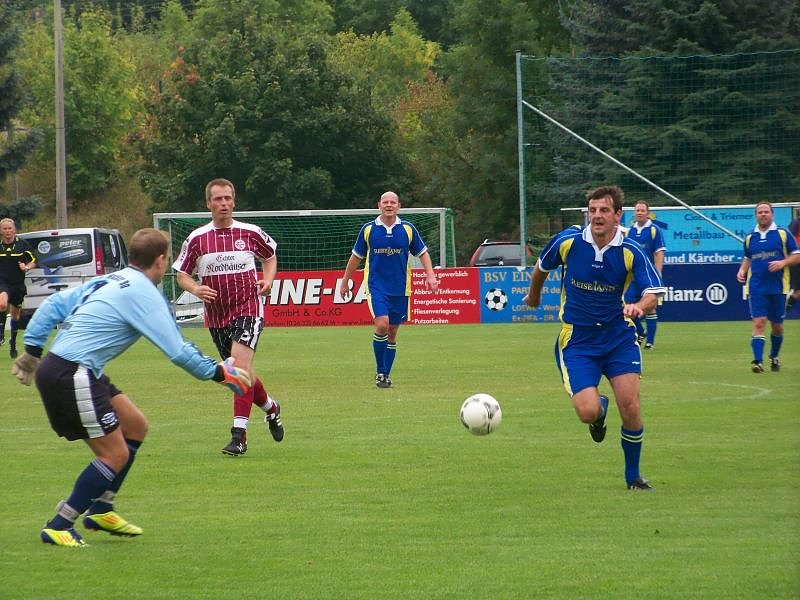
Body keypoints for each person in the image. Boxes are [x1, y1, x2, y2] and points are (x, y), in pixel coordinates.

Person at [10, 228, 252, 547]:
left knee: (135, 425)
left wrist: (33, 350)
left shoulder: (110, 279)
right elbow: (178, 351)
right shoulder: (145, 294)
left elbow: (54, 304)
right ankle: (60, 523)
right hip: (72, 374)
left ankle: (102, 507)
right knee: (115, 454)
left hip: (70, 368)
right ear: (161, 260)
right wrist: (220, 373)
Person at [523, 185, 665, 491]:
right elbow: (540, 268)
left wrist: (639, 306)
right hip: (578, 340)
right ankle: (599, 410)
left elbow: (653, 294)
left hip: (617, 337)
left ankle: (633, 477)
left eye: (603, 211)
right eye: (592, 210)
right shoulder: (569, 242)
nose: (597, 216)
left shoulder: (631, 250)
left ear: (617, 215)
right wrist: (533, 296)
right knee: (587, 412)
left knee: (631, 405)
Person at [173, 178, 283, 456]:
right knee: (238, 375)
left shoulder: (250, 232)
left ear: (234, 201)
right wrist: (196, 288)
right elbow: (182, 274)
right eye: (217, 199)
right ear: (208, 203)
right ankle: (271, 407)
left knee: (238, 367)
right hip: (217, 316)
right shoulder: (197, 238)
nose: (223, 203)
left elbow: (269, 256)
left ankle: (239, 436)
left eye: (227, 198)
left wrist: (268, 280)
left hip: (248, 307)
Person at [338, 190, 439, 388]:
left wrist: (430, 274)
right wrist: (344, 281)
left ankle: (385, 374)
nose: (389, 205)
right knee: (382, 325)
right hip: (376, 286)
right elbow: (356, 257)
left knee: (392, 332)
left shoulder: (408, 229)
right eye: (385, 202)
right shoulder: (369, 230)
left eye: (393, 202)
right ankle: (380, 372)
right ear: (379, 205)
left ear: (399, 206)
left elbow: (423, 253)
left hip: (400, 288)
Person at [736, 202, 800, 373]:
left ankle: (774, 355)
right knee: (759, 322)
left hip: (778, 287)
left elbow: (796, 255)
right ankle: (758, 362)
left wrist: (783, 263)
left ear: (772, 214)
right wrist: (742, 270)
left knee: (777, 326)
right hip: (756, 287)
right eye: (760, 212)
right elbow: (748, 257)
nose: (763, 214)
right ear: (756, 215)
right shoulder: (750, 237)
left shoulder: (782, 233)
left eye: (766, 212)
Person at [623, 201, 665, 349]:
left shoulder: (654, 230)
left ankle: (650, 342)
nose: (639, 212)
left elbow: (659, 251)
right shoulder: (629, 232)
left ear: (647, 213)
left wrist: (658, 272)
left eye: (642, 210)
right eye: (637, 210)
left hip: (649, 275)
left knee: (650, 307)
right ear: (634, 213)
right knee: (627, 304)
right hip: (634, 277)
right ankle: (640, 332)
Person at [0, 217, 37, 358]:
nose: (8, 231)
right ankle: (1, 334)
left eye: (10, 228)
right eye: (5, 229)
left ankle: (13, 342)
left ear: (14, 230)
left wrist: (26, 267)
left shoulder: (22, 245)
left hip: (17, 284)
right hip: (2, 282)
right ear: (1, 231)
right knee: (2, 303)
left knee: (15, 316)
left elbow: (34, 260)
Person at [787, 214, 800, 312]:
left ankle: (785, 308)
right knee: (793, 287)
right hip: (796, 260)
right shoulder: (796, 223)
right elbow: (791, 240)